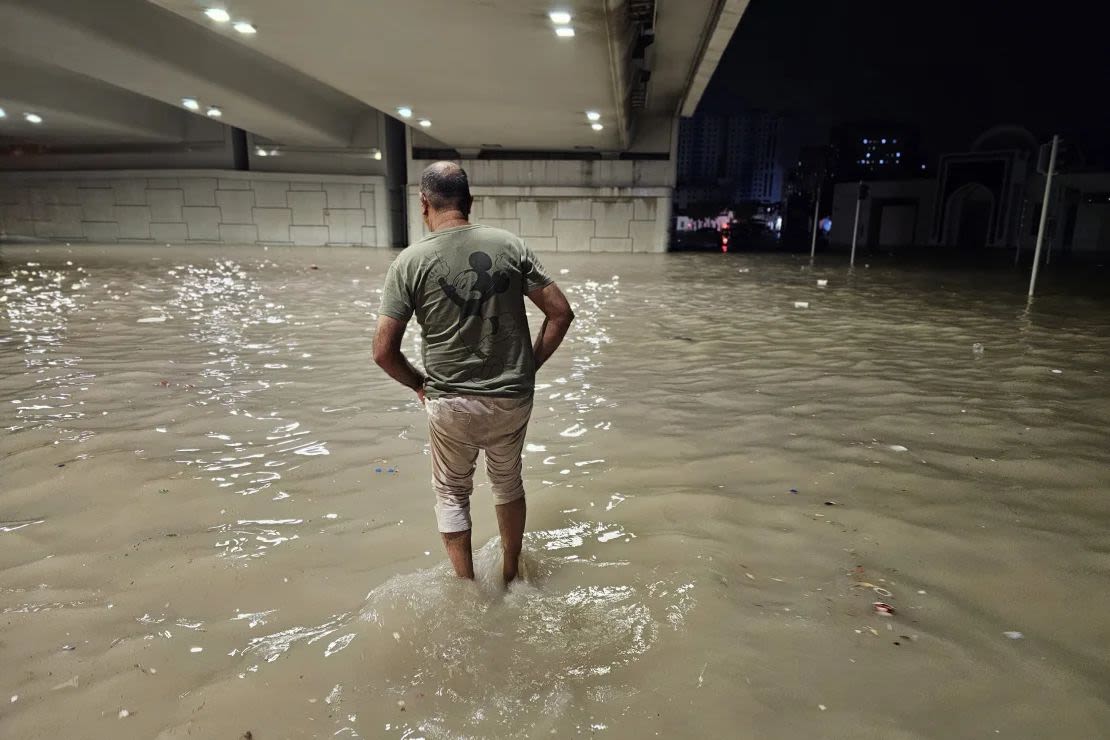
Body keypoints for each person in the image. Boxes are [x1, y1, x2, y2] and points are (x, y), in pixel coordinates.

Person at [373, 162, 574, 583]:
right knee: (507, 482)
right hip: (511, 398)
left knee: (451, 493)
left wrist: (417, 384)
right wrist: (526, 366)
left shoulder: (410, 262)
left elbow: (383, 352)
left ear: (423, 203)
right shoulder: (510, 246)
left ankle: (466, 588)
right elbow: (560, 313)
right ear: (470, 202)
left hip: (449, 402)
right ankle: (510, 575)